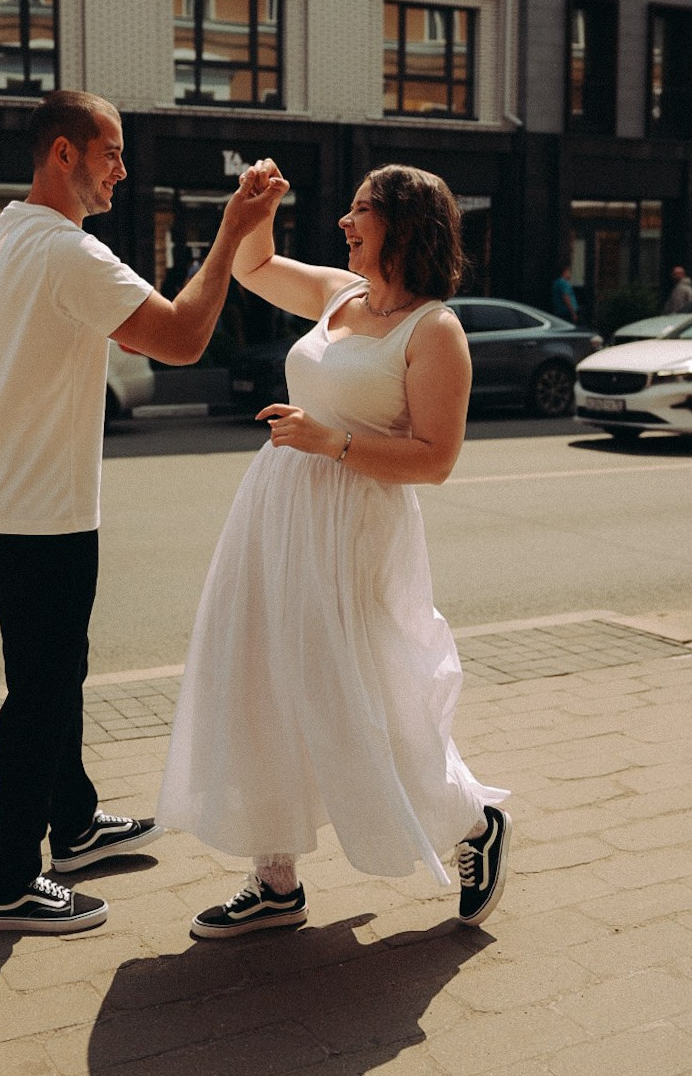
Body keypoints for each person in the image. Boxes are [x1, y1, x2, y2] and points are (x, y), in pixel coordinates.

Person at [0, 90, 282, 936]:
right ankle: (9, 883)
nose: (122, 170)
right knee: (42, 690)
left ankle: (77, 823)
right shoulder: (68, 254)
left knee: (60, 670)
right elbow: (185, 338)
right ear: (63, 153)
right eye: (110, 153)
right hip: (42, 513)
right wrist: (232, 230)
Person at [157, 160, 511, 938]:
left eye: (358, 211)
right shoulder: (338, 293)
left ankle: (473, 822)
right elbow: (251, 266)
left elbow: (436, 458)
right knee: (261, 676)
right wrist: (260, 206)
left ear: (401, 224)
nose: (344, 225)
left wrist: (333, 440)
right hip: (278, 512)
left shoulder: (435, 330)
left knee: (364, 695)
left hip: (355, 529)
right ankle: (276, 878)